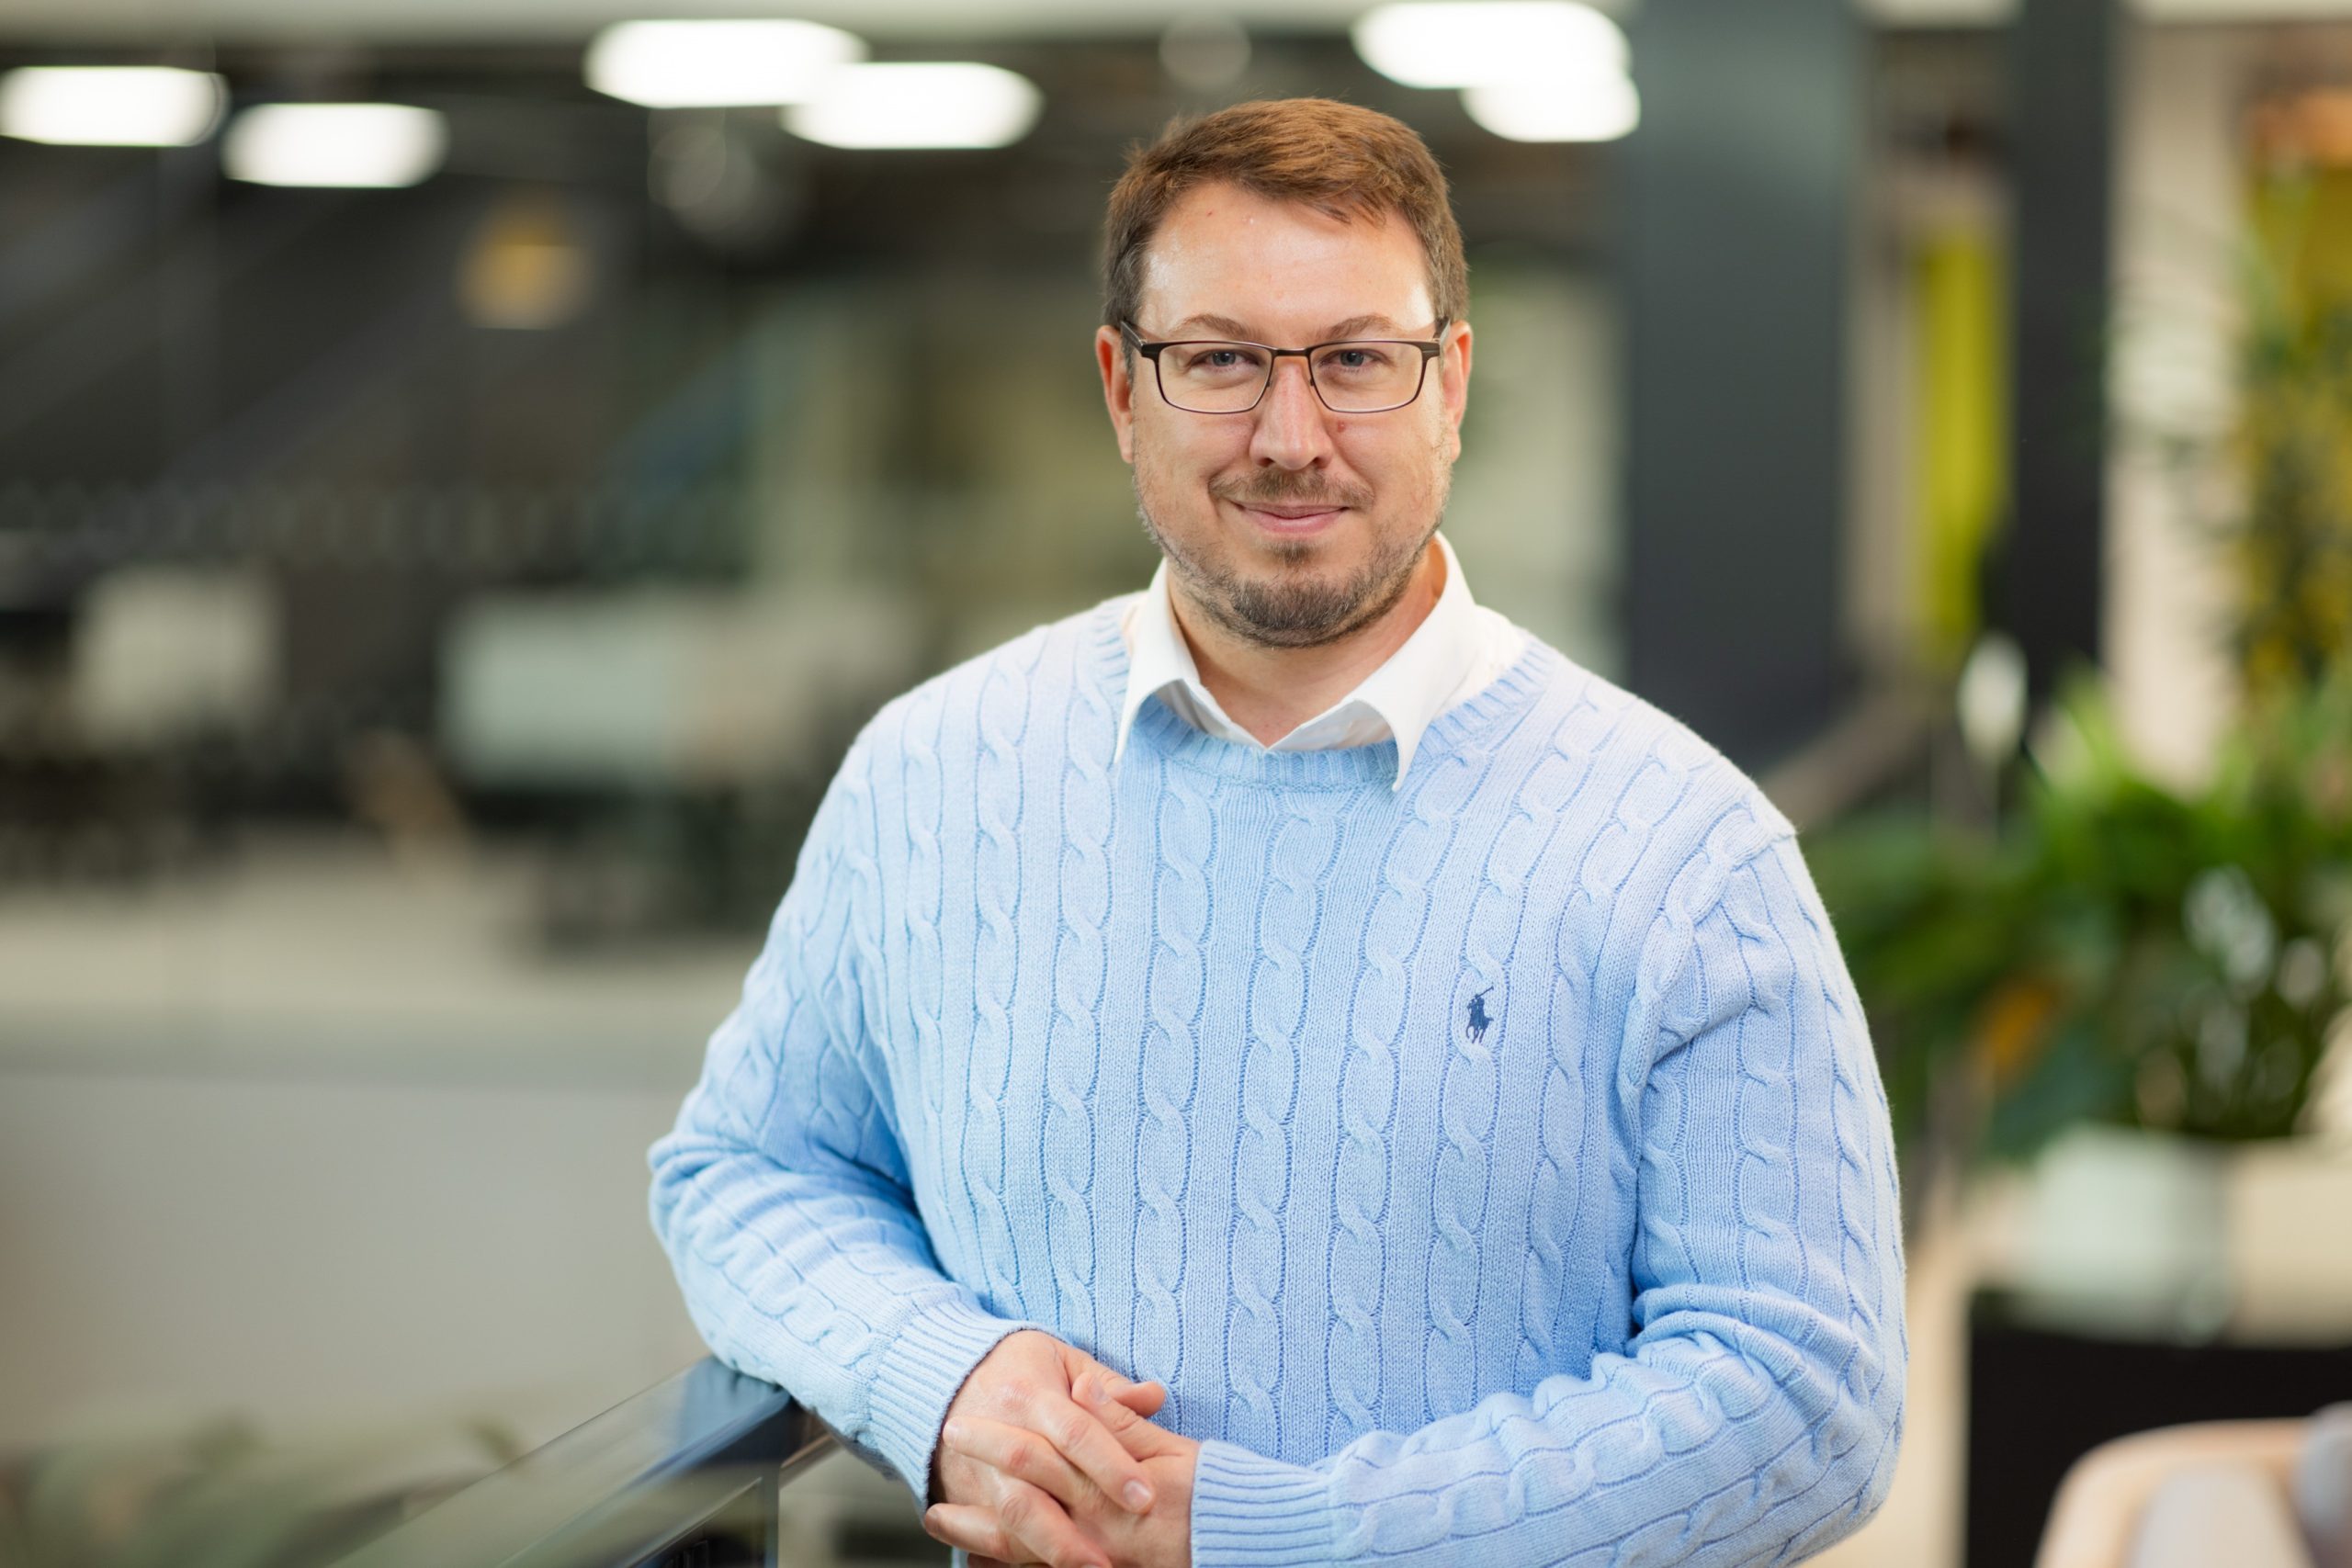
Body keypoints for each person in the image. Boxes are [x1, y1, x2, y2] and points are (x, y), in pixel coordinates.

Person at [650, 97, 1905, 1568]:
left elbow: (1805, 1396)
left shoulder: (1686, 851)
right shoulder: (933, 776)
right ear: (1123, 390)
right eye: (1221, 362)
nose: (1290, 437)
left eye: (1358, 361)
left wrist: (1287, 1535)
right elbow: (747, 1173)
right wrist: (943, 1376)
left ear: (1451, 388)